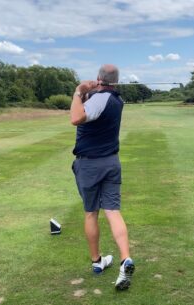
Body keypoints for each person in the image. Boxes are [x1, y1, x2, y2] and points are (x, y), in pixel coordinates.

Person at [70, 64, 134, 290]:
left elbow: (76, 117)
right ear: (116, 81)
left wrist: (79, 91)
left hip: (90, 164)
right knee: (113, 211)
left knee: (91, 213)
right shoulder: (116, 100)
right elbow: (95, 104)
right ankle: (125, 258)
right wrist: (89, 91)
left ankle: (97, 262)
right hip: (111, 162)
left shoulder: (99, 100)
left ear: (99, 79)